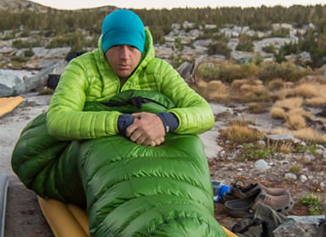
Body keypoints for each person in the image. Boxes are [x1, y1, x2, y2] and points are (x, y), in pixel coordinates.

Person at [46, 9, 214, 145]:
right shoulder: (82, 67)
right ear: (105, 47)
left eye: (132, 47)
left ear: (141, 48)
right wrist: (122, 122)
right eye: (117, 46)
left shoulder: (159, 70)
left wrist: (165, 121)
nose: (125, 56)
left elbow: (204, 113)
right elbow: (58, 120)